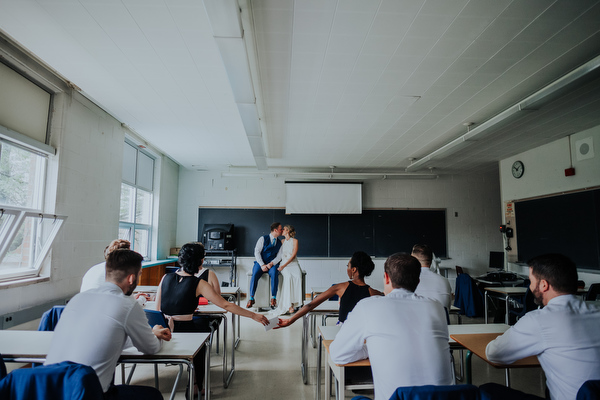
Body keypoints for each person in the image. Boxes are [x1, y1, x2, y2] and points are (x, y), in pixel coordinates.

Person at [45, 250, 172, 400]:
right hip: (85, 394)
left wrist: (150, 333)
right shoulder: (127, 304)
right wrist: (156, 333)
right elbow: (151, 348)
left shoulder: (78, 299)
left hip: (47, 389)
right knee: (153, 395)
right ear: (131, 278)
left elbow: (108, 335)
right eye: (140, 274)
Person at [329, 253, 453, 400]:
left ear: (386, 278)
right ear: (418, 281)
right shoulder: (437, 307)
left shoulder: (368, 306)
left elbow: (337, 354)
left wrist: (369, 349)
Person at [155, 242, 269, 395]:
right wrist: (254, 315)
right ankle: (196, 385)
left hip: (164, 333)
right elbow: (226, 305)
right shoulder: (199, 283)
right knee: (203, 339)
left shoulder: (165, 278)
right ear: (200, 261)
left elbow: (157, 310)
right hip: (187, 335)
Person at [482, 253, 600, 400]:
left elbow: (494, 353)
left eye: (531, 281)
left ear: (544, 285)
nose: (530, 287)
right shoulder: (597, 309)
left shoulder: (539, 320)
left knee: (487, 390)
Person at [277, 251, 383, 328]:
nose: (347, 268)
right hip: (363, 334)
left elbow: (310, 305)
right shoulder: (374, 293)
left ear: (354, 269)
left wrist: (291, 320)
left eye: (348, 265)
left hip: (343, 331)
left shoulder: (339, 287)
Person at [247, 222, 284, 309]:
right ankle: (251, 298)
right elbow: (257, 252)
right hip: (260, 263)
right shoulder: (262, 239)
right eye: (280, 229)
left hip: (272, 264)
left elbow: (279, 256)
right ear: (275, 230)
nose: (282, 230)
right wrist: (262, 264)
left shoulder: (279, 243)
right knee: (255, 273)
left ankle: (273, 298)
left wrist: (271, 264)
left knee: (275, 273)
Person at [412, 244, 452, 310]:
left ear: (413, 261)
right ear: (431, 261)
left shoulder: (408, 281)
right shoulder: (444, 280)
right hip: (442, 319)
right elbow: (448, 307)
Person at [274, 225, 304, 315]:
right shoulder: (282, 241)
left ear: (288, 231)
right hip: (284, 265)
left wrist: (284, 265)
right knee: (289, 277)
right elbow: (279, 254)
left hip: (293, 264)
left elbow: (293, 256)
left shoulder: (295, 241)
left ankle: (295, 303)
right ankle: (289, 305)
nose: (282, 230)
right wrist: (282, 266)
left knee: (298, 276)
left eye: (284, 229)